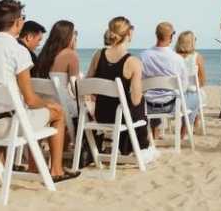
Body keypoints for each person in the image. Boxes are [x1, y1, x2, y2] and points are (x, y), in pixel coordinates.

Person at [0, 0, 78, 182]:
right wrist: (49, 103)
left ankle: (28, 167)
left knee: (23, 112)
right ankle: (56, 170)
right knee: (56, 112)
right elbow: (31, 100)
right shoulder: (17, 51)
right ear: (18, 22)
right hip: (9, 127)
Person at [86, 17, 149, 154]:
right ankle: (138, 146)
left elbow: (88, 83)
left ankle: (125, 145)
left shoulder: (98, 55)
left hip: (101, 114)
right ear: (129, 34)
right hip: (121, 117)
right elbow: (135, 100)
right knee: (140, 102)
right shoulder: (133, 62)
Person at [140, 22, 197, 139]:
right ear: (171, 37)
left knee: (152, 94)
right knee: (195, 97)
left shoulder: (143, 56)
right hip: (170, 106)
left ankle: (154, 131)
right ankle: (183, 133)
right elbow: (184, 86)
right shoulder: (177, 59)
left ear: (156, 35)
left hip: (148, 105)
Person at [34, 20, 80, 120]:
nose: (75, 37)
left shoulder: (43, 55)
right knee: (91, 107)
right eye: (73, 34)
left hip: (46, 106)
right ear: (68, 36)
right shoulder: (71, 54)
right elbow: (76, 87)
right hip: (64, 107)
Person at [175, 30, 207, 131]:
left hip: (175, 94)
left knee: (193, 93)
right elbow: (202, 81)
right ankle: (192, 122)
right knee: (197, 93)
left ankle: (195, 119)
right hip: (191, 93)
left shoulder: (173, 57)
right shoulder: (197, 57)